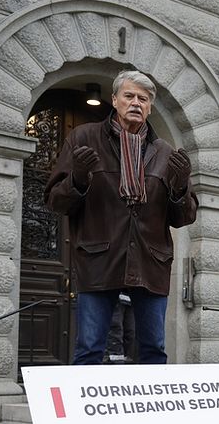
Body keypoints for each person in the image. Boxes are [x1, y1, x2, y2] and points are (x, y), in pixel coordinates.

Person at [44, 70, 198, 365]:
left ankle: (151, 411)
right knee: (90, 347)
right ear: (114, 100)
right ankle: (81, 410)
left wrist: (179, 188)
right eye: (129, 96)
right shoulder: (84, 138)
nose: (136, 103)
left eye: (143, 98)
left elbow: (183, 217)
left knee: (154, 348)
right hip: (99, 257)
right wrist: (77, 179)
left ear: (150, 107)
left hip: (150, 261)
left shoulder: (165, 152)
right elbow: (55, 202)